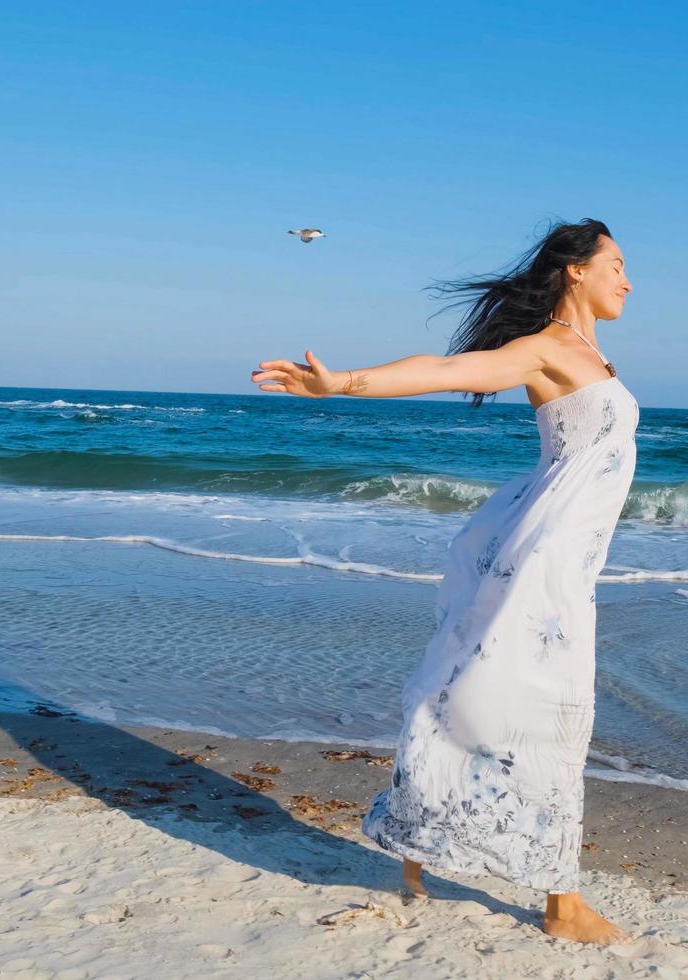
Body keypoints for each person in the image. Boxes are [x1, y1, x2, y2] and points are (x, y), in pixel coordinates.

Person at [250, 218, 637, 945]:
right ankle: (560, 904)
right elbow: (449, 369)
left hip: (568, 567)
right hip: (546, 565)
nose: (627, 278)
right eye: (615, 263)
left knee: (543, 710)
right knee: (544, 711)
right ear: (575, 271)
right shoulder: (546, 348)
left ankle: (459, 849)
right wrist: (344, 385)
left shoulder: (590, 353)